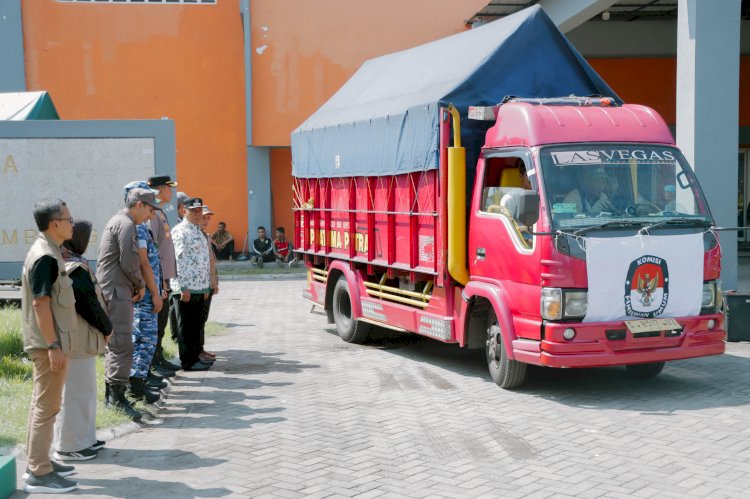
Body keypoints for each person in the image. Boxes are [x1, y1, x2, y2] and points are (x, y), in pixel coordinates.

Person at [21, 198, 79, 494]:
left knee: (44, 405)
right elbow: (40, 304)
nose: (73, 223)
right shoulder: (45, 255)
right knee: (47, 406)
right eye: (68, 218)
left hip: (49, 343)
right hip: (48, 345)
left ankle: (39, 460)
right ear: (54, 224)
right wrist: (54, 345)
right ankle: (38, 471)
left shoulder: (49, 250)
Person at [53, 220, 112, 462]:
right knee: (75, 393)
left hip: (80, 339)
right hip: (75, 339)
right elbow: (88, 303)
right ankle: (69, 446)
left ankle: (86, 438)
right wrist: (107, 327)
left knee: (85, 390)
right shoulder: (73, 267)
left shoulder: (69, 261)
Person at [97, 187, 157, 421]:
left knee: (119, 343)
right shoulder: (126, 224)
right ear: (139, 204)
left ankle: (114, 395)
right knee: (122, 344)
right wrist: (141, 284)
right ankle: (116, 398)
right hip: (117, 291)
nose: (150, 215)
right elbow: (129, 261)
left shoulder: (121, 221)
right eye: (150, 209)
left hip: (117, 289)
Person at [124, 181, 163, 404]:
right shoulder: (137, 227)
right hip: (146, 294)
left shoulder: (141, 225)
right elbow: (144, 263)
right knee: (144, 339)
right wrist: (155, 292)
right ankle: (136, 385)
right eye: (149, 205)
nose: (151, 210)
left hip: (151, 290)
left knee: (147, 338)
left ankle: (139, 381)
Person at [170, 197, 213, 371]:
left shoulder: (198, 231)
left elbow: (204, 260)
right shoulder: (180, 231)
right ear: (184, 211)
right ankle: (188, 360)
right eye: (193, 211)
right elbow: (178, 261)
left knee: (196, 324)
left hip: (200, 287)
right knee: (186, 326)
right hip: (186, 287)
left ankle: (195, 356)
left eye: (199, 211)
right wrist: (182, 287)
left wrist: (206, 285)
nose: (197, 214)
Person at [146, 175, 182, 377]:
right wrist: (159, 283)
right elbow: (152, 250)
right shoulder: (152, 214)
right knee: (155, 324)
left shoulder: (158, 212)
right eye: (169, 188)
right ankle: (152, 362)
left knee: (161, 323)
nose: (171, 192)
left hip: (164, 279)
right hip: (157, 279)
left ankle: (158, 357)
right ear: (160, 190)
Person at [199, 206, 219, 363]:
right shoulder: (195, 235)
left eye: (208, 218)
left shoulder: (205, 235)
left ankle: (201, 349)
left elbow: (211, 262)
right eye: (204, 217)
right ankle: (197, 351)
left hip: (208, 283)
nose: (206, 220)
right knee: (197, 319)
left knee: (202, 318)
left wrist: (214, 283)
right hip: (199, 284)